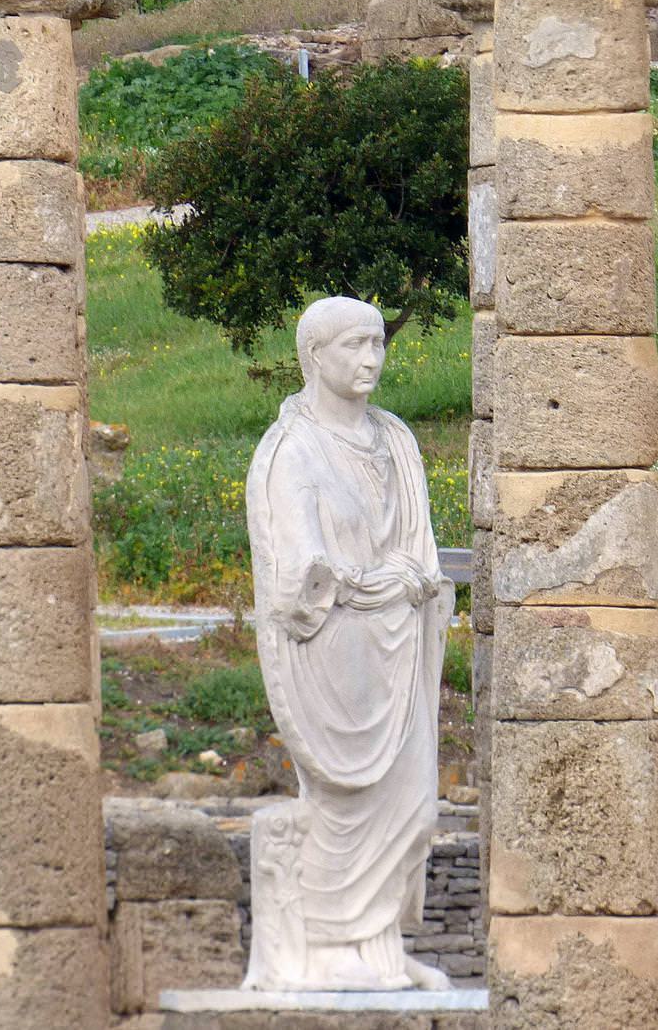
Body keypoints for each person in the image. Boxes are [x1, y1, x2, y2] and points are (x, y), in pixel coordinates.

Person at [242, 296, 454, 992]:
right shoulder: (292, 452)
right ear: (314, 355)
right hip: (338, 651)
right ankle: (329, 947)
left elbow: (421, 550)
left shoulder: (395, 438)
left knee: (416, 803)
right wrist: (367, 580)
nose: (371, 360)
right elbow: (296, 577)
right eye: (354, 347)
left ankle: (378, 946)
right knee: (341, 799)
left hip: (400, 640)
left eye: (378, 346)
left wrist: (409, 580)